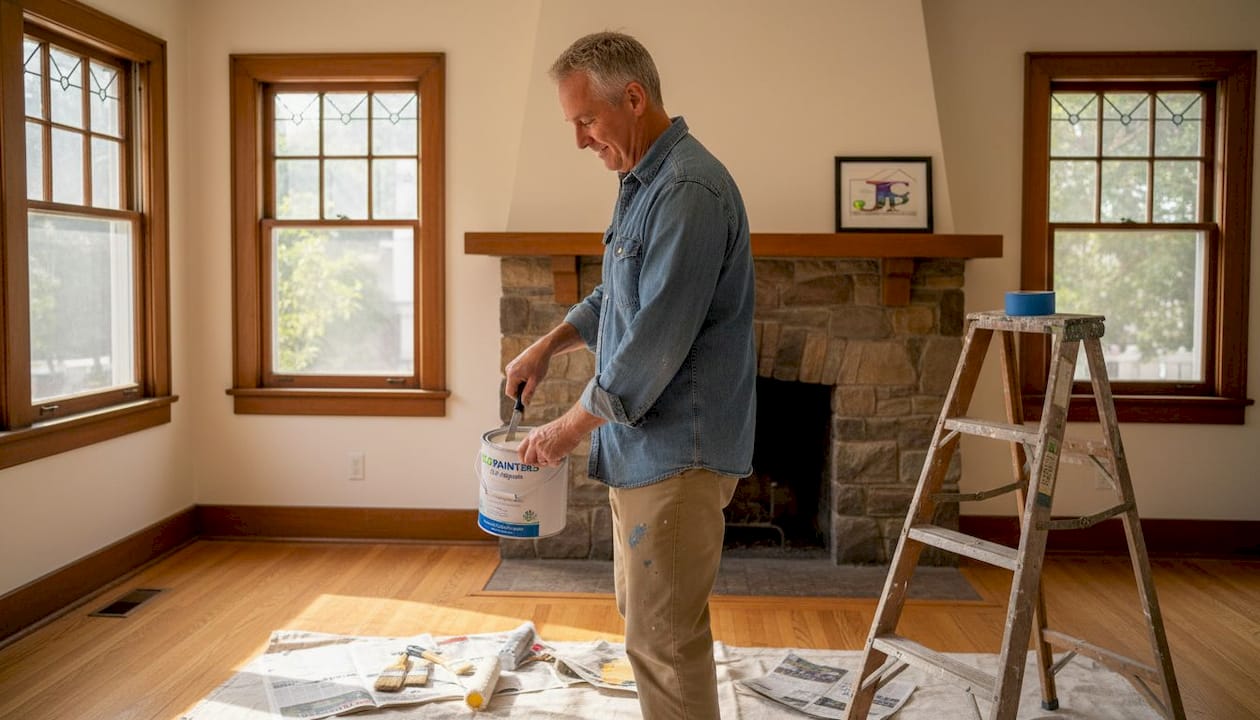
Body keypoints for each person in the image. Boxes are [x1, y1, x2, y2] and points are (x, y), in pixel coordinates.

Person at [504, 31, 756, 720]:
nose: (580, 139)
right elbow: (617, 297)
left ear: (634, 99)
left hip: (680, 451)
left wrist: (563, 430)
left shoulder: (689, 191)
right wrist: (546, 346)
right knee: (648, 628)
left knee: (665, 641)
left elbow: (652, 346)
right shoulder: (640, 183)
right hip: (646, 450)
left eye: (586, 119)